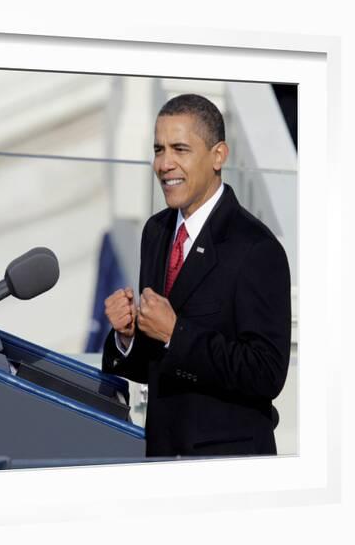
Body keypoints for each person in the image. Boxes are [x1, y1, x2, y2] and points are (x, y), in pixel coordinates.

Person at [102, 94, 291, 457]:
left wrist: (176, 333)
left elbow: (266, 373)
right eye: (159, 149)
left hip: (227, 466)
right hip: (162, 455)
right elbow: (160, 364)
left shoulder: (255, 248)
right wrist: (127, 336)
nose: (164, 163)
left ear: (219, 155)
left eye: (180, 149)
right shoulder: (156, 232)